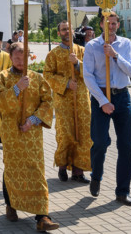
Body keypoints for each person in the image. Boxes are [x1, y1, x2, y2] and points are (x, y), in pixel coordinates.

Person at [0, 42, 59, 231]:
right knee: (12, 168)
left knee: (36, 170)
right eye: (17, 58)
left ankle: (42, 216)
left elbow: (47, 102)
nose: (21, 62)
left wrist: (33, 120)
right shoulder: (1, 77)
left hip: (32, 133)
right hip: (12, 133)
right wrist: (17, 88)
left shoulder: (37, 78)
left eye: (24, 58)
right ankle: (11, 204)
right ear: (10, 57)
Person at [83, 12, 131, 206]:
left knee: (126, 146)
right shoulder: (91, 46)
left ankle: (123, 191)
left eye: (114, 23)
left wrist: (115, 56)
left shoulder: (125, 44)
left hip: (122, 96)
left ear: (118, 25)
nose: (111, 27)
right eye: (108, 23)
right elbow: (88, 77)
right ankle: (96, 175)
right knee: (99, 142)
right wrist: (103, 101)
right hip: (101, 98)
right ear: (101, 25)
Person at [44, 21, 91, 184]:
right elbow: (47, 75)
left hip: (82, 99)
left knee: (83, 134)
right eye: (63, 29)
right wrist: (65, 83)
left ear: (72, 31)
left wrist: (77, 64)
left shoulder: (83, 51)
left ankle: (78, 171)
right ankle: (62, 167)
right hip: (63, 100)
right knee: (66, 134)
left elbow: (92, 72)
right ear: (59, 33)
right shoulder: (53, 54)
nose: (66, 32)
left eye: (68, 29)